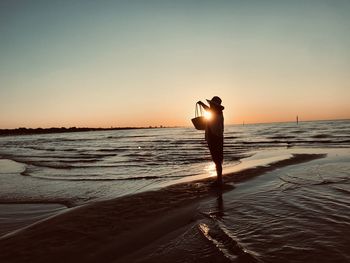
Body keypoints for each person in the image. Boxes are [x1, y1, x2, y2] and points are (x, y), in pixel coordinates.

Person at [198, 96, 224, 186]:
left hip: (215, 138)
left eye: (212, 104)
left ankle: (219, 180)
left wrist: (202, 104)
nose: (211, 105)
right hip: (214, 138)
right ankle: (219, 179)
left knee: (217, 160)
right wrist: (202, 104)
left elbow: (208, 110)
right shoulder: (216, 112)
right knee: (217, 160)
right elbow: (208, 110)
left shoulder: (217, 112)